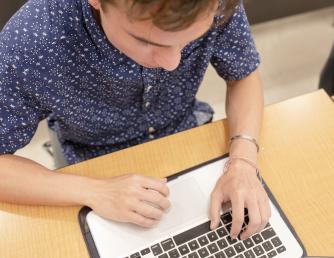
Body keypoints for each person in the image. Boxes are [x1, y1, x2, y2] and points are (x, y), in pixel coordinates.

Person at [0, 0, 270, 240]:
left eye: (189, 40)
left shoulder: (213, 3)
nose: (172, 62)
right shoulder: (33, 38)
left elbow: (243, 74)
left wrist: (243, 163)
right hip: (91, 162)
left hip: (184, 135)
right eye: (149, 42)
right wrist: (94, 191)